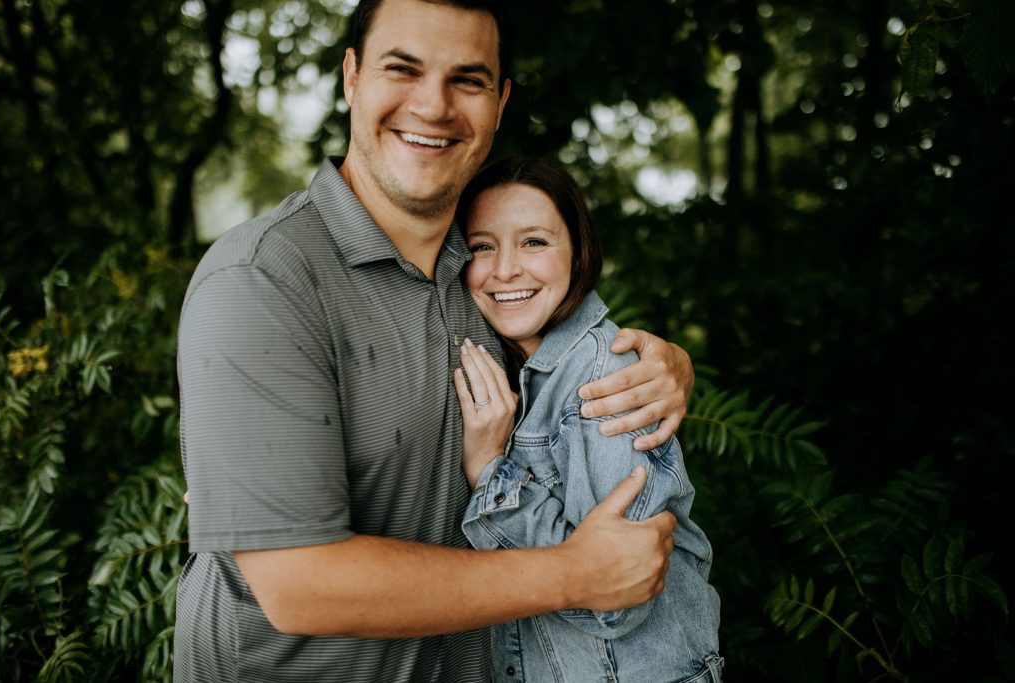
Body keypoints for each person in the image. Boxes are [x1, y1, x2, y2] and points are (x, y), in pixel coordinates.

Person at [174, 1, 694, 681]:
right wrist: (574, 573)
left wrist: (666, 363)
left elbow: (575, 373)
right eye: (403, 69)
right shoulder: (263, 280)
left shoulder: (484, 274)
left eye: (467, 80)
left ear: (500, 103)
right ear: (351, 75)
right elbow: (300, 582)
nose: (433, 106)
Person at [452, 155, 722, 682]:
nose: (505, 269)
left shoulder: (607, 375)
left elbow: (614, 600)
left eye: (534, 242)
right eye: (483, 246)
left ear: (578, 253)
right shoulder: (511, 366)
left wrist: (489, 474)